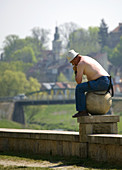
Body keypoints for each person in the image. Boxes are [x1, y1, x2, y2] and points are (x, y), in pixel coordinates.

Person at [67, 49, 114, 118]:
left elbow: (78, 81)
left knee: (79, 88)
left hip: (101, 82)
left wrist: (76, 71)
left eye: (72, 62)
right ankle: (83, 110)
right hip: (108, 81)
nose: (73, 64)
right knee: (83, 86)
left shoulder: (80, 63)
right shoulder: (86, 58)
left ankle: (82, 111)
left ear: (75, 58)